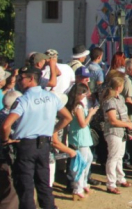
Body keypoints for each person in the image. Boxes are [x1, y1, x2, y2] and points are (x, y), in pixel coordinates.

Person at [1, 65, 73, 209]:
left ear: (31, 79)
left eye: (22, 78)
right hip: (43, 145)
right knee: (44, 185)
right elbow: (67, 117)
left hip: (26, 146)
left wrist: (6, 139)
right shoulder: (51, 97)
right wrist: (54, 130)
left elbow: (5, 126)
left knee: (26, 186)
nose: (20, 81)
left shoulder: (23, 100)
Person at [101, 73, 132, 194]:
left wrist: (128, 123)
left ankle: (120, 178)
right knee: (113, 157)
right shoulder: (110, 101)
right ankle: (110, 183)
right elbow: (113, 120)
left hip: (121, 132)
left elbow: (124, 115)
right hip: (113, 132)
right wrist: (127, 124)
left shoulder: (121, 99)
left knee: (120, 156)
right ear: (119, 87)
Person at [66, 82, 97, 200]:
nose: (86, 95)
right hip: (79, 137)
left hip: (82, 136)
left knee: (88, 159)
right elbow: (83, 123)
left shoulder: (77, 104)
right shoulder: (77, 106)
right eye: (84, 93)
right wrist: (91, 114)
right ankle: (77, 188)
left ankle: (83, 184)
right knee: (81, 163)